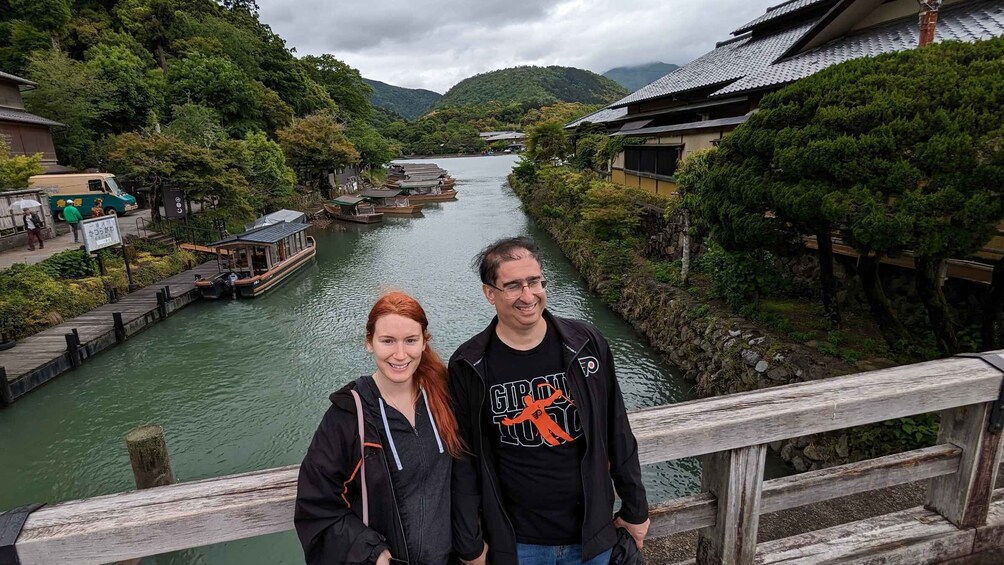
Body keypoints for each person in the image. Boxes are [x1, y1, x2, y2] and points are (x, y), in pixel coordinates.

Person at [450, 237, 650, 565]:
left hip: (592, 536)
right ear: (490, 293)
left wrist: (635, 509)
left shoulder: (586, 344)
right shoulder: (470, 365)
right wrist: (470, 544)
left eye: (535, 282)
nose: (528, 296)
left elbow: (617, 429)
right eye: (513, 286)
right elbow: (466, 459)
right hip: (517, 543)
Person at [296, 291, 463, 565]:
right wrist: (372, 553)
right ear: (369, 343)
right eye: (387, 341)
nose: (400, 354)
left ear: (424, 342)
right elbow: (316, 502)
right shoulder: (350, 415)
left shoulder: (443, 396)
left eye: (410, 341)